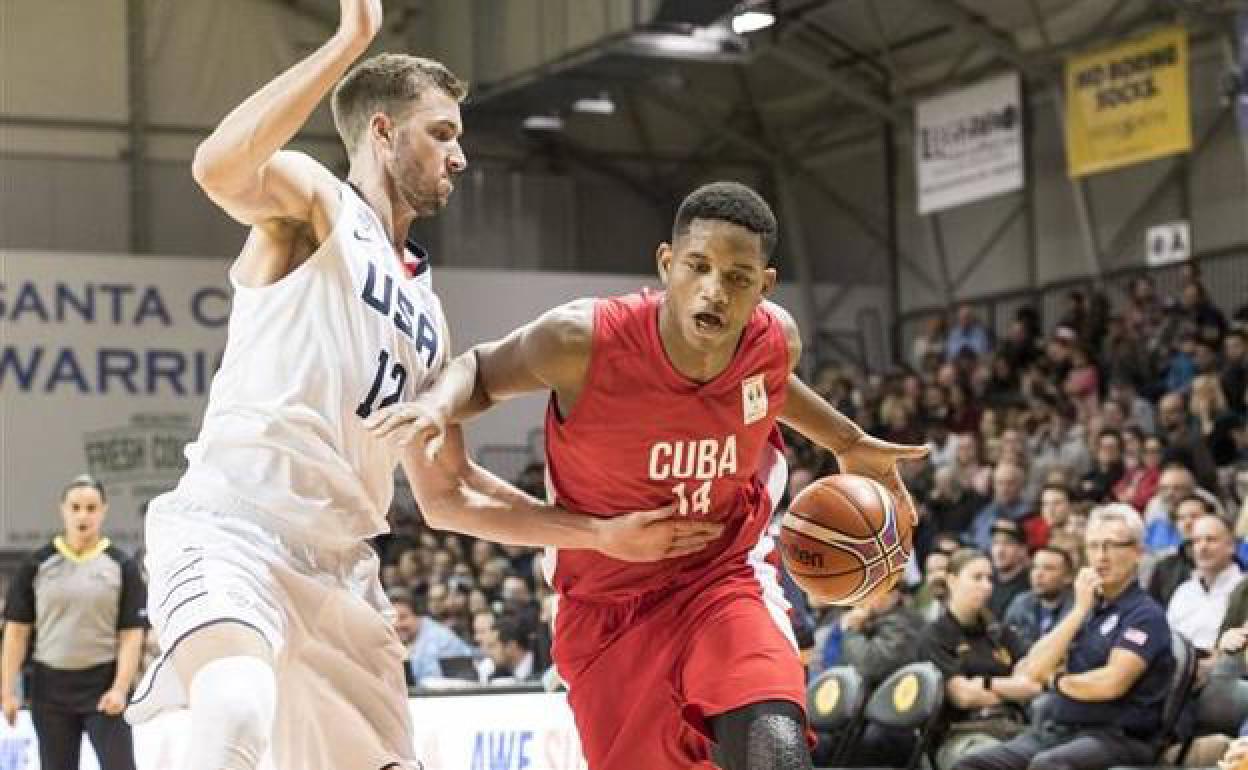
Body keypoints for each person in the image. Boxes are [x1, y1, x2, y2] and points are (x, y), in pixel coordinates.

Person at [123, 3, 717, 769]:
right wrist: (349, 41)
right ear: (381, 131)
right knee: (236, 702)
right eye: (442, 133)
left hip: (342, 570)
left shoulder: (430, 314)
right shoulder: (317, 206)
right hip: (234, 526)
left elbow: (449, 494)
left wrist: (599, 534)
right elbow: (217, 168)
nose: (460, 156)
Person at [368, 181, 928, 770]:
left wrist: (846, 439)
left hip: (721, 578)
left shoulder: (774, 339)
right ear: (667, 263)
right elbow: (479, 370)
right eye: (698, 267)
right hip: (605, 604)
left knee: (776, 747)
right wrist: (437, 407)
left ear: (763, 287)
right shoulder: (582, 341)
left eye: (738, 278)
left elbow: (767, 383)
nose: (714, 291)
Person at [954, 504, 1175, 770]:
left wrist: (1057, 682)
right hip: (1059, 731)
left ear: (1138, 552)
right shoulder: (1085, 607)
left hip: (1116, 737)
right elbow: (1031, 671)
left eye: (1112, 545)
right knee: (971, 764)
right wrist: (1079, 611)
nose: (1101, 557)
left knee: (1047, 765)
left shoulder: (1145, 615)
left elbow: (1112, 683)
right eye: (1093, 547)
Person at [2, 475, 146, 770]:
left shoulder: (123, 567)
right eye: (76, 507)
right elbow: (16, 632)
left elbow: (131, 635)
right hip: (50, 689)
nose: (84, 515)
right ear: (63, 510)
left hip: (104, 686)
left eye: (92, 508)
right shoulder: (36, 565)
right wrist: (7, 690)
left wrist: (120, 687)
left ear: (104, 511)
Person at [920, 549, 1038, 768]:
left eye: (989, 578)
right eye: (977, 577)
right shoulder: (936, 634)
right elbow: (962, 697)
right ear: (952, 581)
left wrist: (985, 684)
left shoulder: (999, 631)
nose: (987, 586)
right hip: (961, 734)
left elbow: (1032, 683)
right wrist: (1013, 689)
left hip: (1013, 727)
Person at [1003, 546, 1074, 650]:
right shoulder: (1020, 604)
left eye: (1049, 568)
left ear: (1067, 577)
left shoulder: (1078, 610)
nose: (1038, 574)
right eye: (1035, 567)